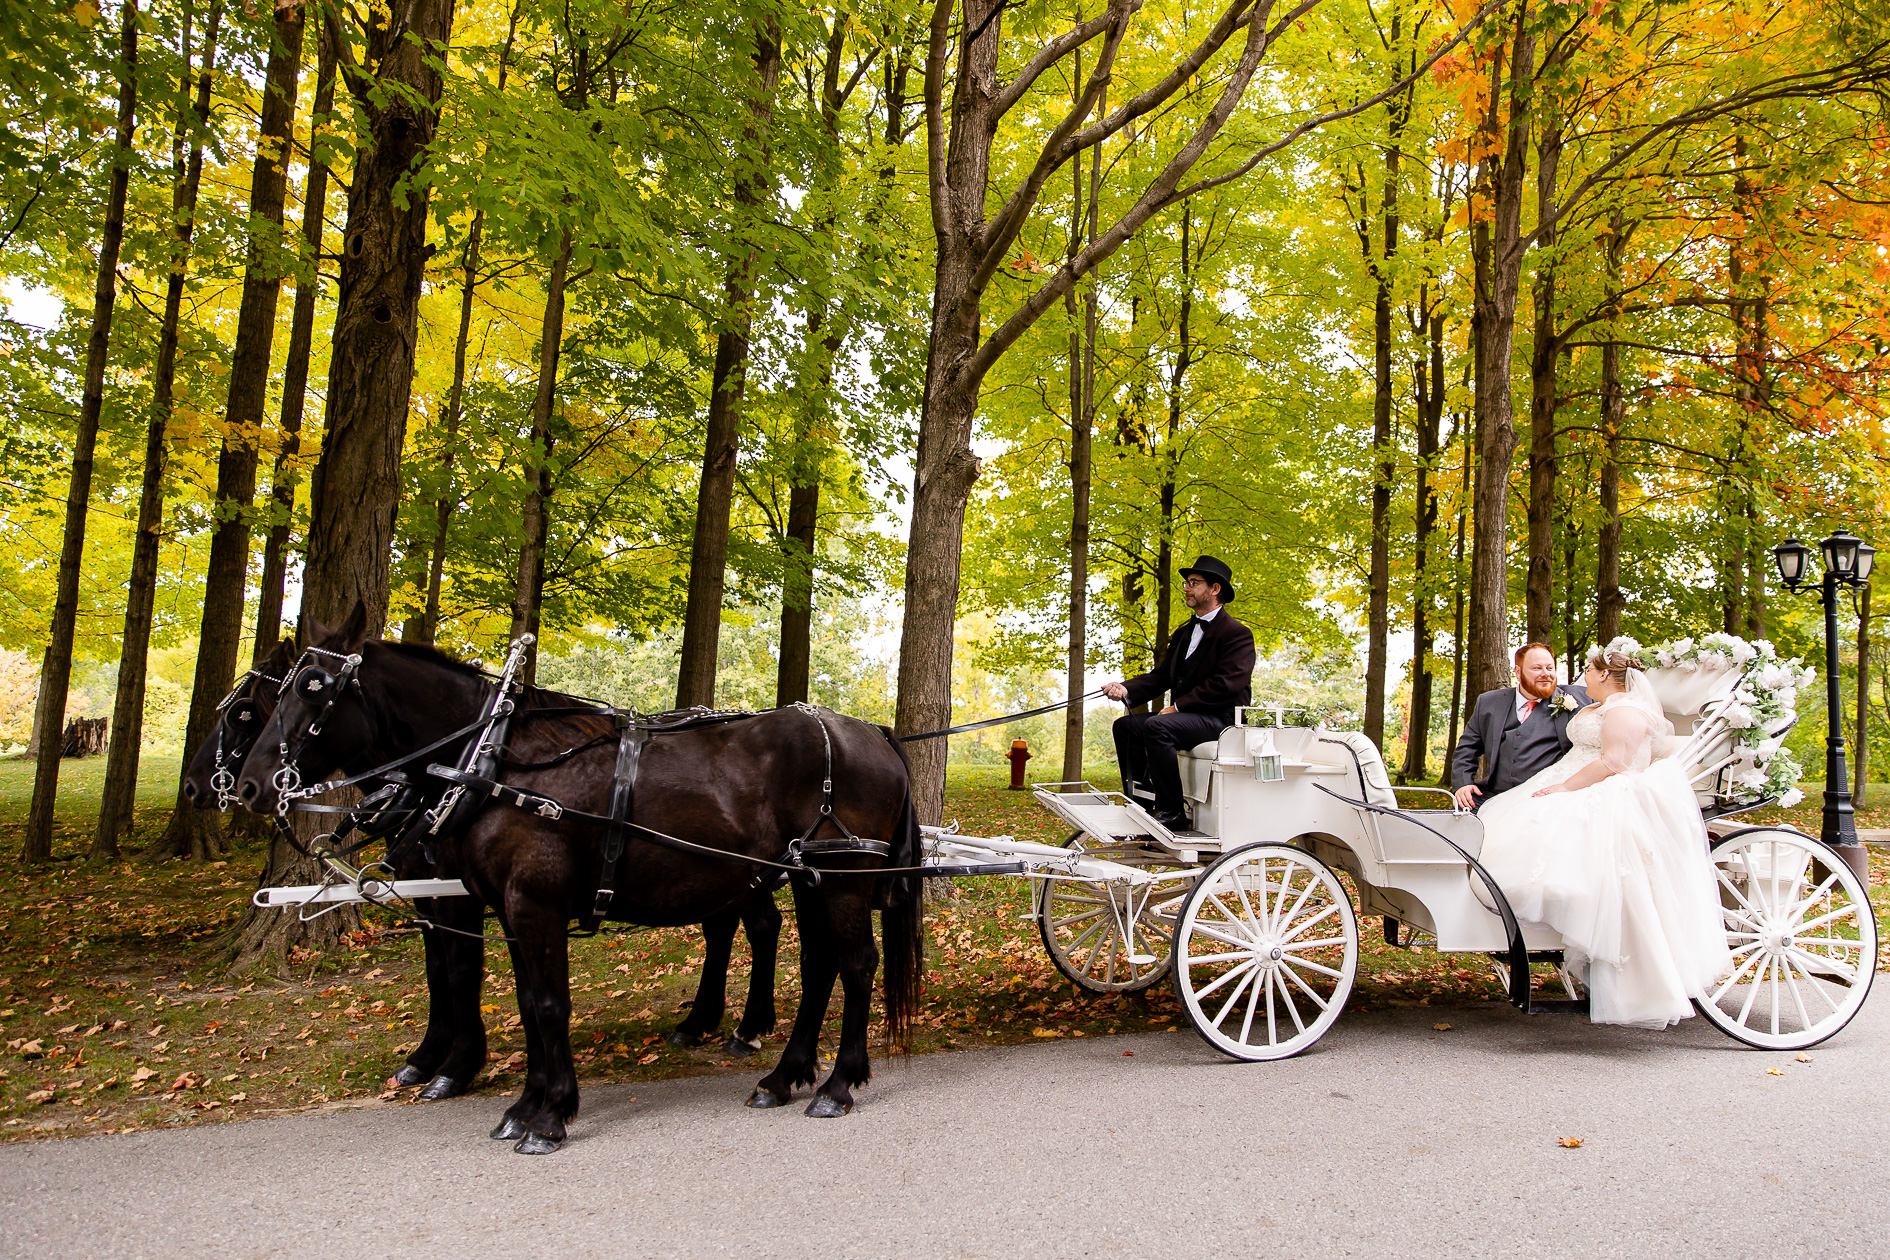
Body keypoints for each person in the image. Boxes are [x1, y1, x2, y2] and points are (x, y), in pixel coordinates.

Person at [1474, 645, 1732, 1028]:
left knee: (1545, 826)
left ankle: (1573, 921)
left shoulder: (1625, 710)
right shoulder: (1596, 707)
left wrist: (1566, 788)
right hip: (1571, 777)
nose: (1582, 679)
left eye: (1589, 672)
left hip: (1600, 787)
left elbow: (1614, 762)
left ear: (1604, 675)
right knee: (1508, 821)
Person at [1101, 556, 1255, 830]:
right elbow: (1162, 676)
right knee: (1126, 726)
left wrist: (1179, 706)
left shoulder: (1237, 634)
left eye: (1194, 583)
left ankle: (1172, 811)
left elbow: (1227, 683)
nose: (1186, 587)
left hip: (1221, 721)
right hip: (1186, 719)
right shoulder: (1184, 632)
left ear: (1215, 589)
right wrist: (1125, 688)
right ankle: (1140, 802)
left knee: (1158, 727)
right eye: (1187, 582)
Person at [1450, 642, 1590, 812]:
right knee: (1460, 812)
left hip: (1545, 797)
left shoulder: (1580, 698)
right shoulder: (1489, 703)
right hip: (1496, 794)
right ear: (1517, 672)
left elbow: (1617, 694)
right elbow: (1466, 749)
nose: (1546, 674)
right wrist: (1463, 784)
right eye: (1537, 668)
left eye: (1550, 667)